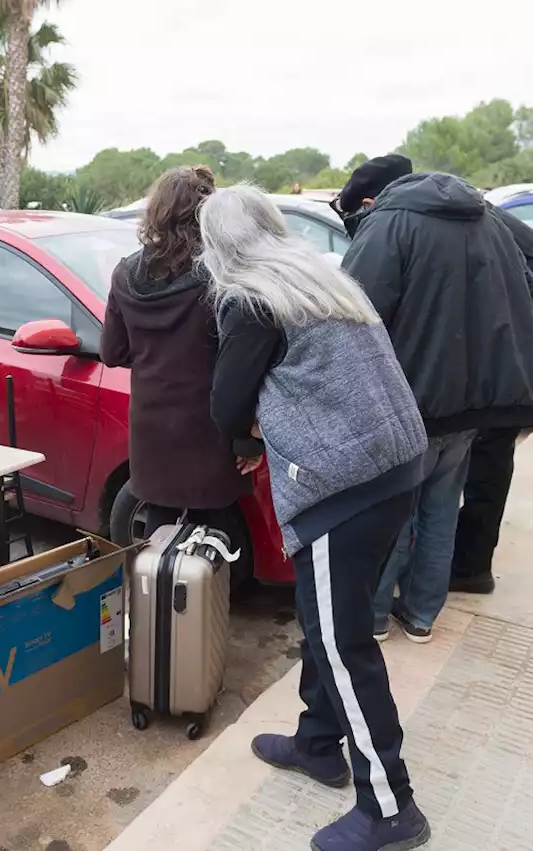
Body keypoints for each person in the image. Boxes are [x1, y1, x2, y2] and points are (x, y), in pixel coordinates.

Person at [202, 185, 430, 851]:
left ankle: (391, 806)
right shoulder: (322, 278)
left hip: (343, 483)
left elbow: (224, 404)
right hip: (394, 465)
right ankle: (319, 741)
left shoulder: (251, 297)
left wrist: (244, 439)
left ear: (217, 248)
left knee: (341, 640)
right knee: (325, 614)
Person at [335, 155, 533, 643]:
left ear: (371, 201)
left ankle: (371, 620)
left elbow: (351, 315)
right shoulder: (489, 221)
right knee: (440, 511)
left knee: (393, 514)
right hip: (473, 407)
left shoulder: (389, 225)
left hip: (410, 402)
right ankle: (422, 615)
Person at [99, 165, 251, 547]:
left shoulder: (125, 272)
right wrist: (250, 439)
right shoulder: (223, 276)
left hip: (152, 428)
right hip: (211, 428)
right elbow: (243, 365)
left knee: (159, 527)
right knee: (216, 533)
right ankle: (206, 606)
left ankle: (158, 603)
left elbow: (112, 352)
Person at [450, 210, 533, 594]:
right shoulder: (454, 206)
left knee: (492, 436)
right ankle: (465, 551)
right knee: (487, 436)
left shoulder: (442, 217)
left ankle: (471, 567)